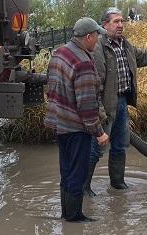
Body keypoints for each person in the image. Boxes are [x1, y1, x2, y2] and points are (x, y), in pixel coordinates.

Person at [83, 7, 147, 196]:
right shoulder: (99, 47)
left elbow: (145, 56)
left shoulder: (125, 44)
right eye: (116, 22)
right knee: (97, 148)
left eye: (122, 21)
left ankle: (117, 183)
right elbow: (94, 85)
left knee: (120, 145)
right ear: (104, 24)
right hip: (106, 105)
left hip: (122, 102)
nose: (121, 25)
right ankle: (84, 187)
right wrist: (99, 112)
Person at [44, 17, 110, 222]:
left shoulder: (59, 53)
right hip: (75, 128)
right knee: (77, 174)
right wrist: (99, 133)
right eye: (97, 35)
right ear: (88, 37)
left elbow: (50, 86)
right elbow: (87, 105)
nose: (98, 39)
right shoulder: (83, 63)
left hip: (58, 123)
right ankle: (74, 218)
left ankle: (66, 214)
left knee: (66, 171)